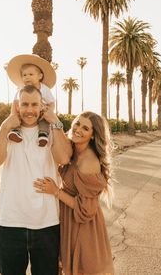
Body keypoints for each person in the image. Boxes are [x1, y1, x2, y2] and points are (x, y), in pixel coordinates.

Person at [0, 85, 72, 275]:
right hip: (10, 223)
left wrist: (55, 121)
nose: (30, 110)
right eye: (25, 104)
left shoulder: (51, 131)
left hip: (46, 223)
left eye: (34, 104)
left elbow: (64, 158)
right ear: (17, 105)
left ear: (42, 106)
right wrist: (6, 125)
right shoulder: (6, 131)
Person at [34, 111, 115, 275]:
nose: (78, 129)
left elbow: (87, 209)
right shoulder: (70, 146)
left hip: (83, 227)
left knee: (82, 268)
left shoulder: (88, 161)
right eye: (77, 123)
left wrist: (56, 192)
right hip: (67, 219)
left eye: (86, 128)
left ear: (93, 135)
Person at [6, 54, 56, 147]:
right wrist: (13, 114)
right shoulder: (21, 89)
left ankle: (43, 135)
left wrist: (49, 112)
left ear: (40, 76)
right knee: (17, 118)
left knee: (44, 122)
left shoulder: (44, 89)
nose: (27, 77)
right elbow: (15, 102)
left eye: (30, 74)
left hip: (41, 112)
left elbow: (51, 102)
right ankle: (16, 131)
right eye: (24, 75)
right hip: (24, 112)